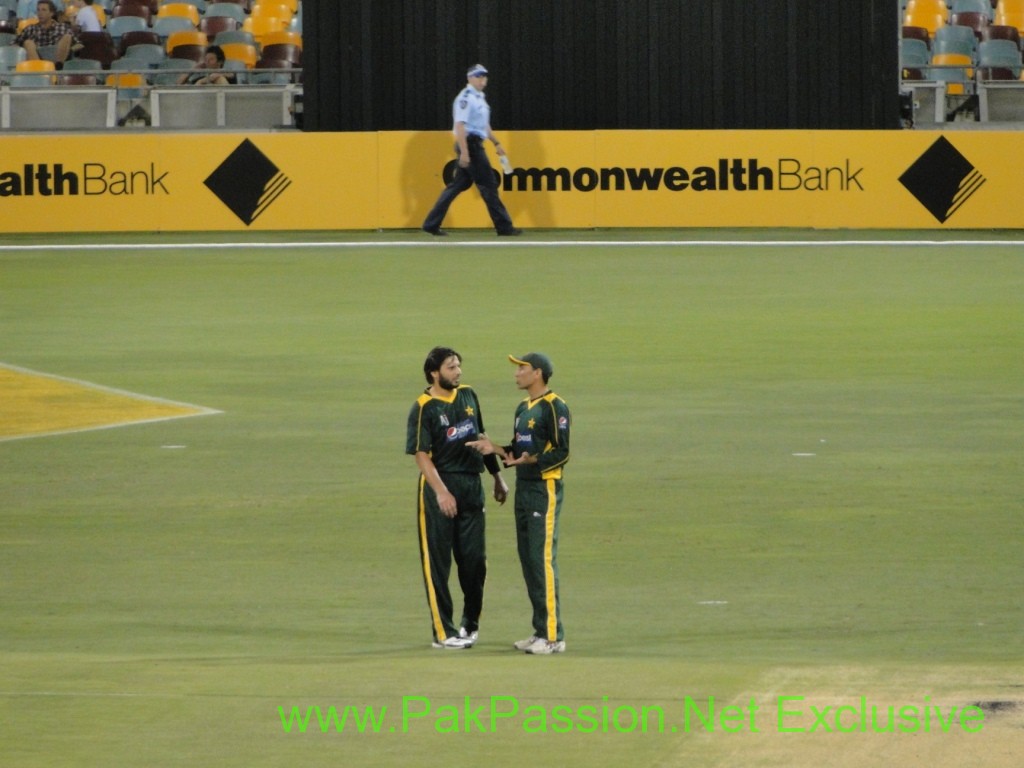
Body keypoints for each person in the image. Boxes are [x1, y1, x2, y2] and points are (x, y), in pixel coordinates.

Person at [406, 347, 509, 650]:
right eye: (451, 367)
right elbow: (422, 455)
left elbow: (482, 438)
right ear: (434, 373)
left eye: (459, 366)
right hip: (441, 487)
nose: (458, 371)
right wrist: (441, 492)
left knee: (475, 561)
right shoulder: (424, 407)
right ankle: (443, 631)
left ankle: (470, 623)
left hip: (471, 487)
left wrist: (496, 476)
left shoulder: (468, 395)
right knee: (438, 563)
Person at [468, 353, 570, 655]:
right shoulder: (522, 409)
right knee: (528, 560)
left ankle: (553, 635)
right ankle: (541, 630)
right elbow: (518, 450)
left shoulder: (555, 406)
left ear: (538, 373)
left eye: (521, 369)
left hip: (544, 488)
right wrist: (495, 448)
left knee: (542, 560)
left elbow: (562, 451)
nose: (516, 374)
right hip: (524, 487)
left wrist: (532, 460)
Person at [422, 64, 522, 237]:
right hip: (470, 145)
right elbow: (460, 125)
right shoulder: (466, 98)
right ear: (469, 78)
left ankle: (431, 223)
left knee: (457, 186)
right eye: (478, 77)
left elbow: (483, 124)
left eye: (484, 77)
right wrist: (465, 152)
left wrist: (496, 143)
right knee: (489, 186)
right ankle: (504, 227)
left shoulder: (479, 97)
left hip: (474, 143)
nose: (482, 80)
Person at [15, 0, 77, 65]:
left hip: (58, 56)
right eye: (38, 10)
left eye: (43, 10)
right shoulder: (30, 28)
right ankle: (40, 70)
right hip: (37, 60)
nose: (40, 13)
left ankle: (58, 67)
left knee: (67, 36)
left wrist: (69, 50)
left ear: (51, 13)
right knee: (28, 43)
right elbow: (15, 44)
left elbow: (77, 44)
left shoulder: (63, 27)